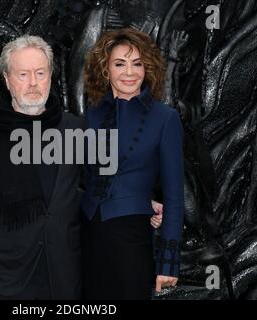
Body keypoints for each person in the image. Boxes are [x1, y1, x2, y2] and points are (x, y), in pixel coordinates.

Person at [0, 35, 84, 299]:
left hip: (65, 276)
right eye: (23, 74)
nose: (33, 83)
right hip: (2, 279)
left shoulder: (74, 128)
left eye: (40, 73)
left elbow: (99, 189)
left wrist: (141, 203)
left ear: (50, 77)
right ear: (7, 79)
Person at [81, 28, 184, 299]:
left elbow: (174, 195)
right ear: (105, 70)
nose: (130, 72)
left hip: (131, 239)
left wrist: (168, 263)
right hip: (88, 235)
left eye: (137, 63)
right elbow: (82, 179)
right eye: (120, 64)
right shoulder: (91, 116)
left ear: (147, 68)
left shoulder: (165, 118)